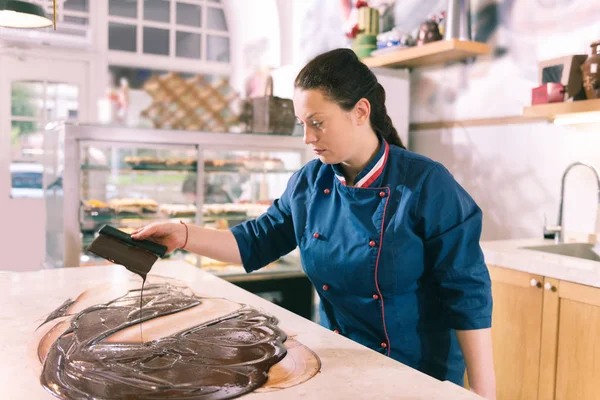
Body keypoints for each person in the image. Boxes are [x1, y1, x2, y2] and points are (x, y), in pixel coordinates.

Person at [132, 48, 496, 399]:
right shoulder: (311, 182)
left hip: (417, 372)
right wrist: (182, 235)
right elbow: (256, 241)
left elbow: (467, 292)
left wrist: (481, 392)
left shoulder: (426, 183)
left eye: (317, 123)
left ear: (360, 111)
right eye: (302, 125)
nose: (308, 138)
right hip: (340, 360)